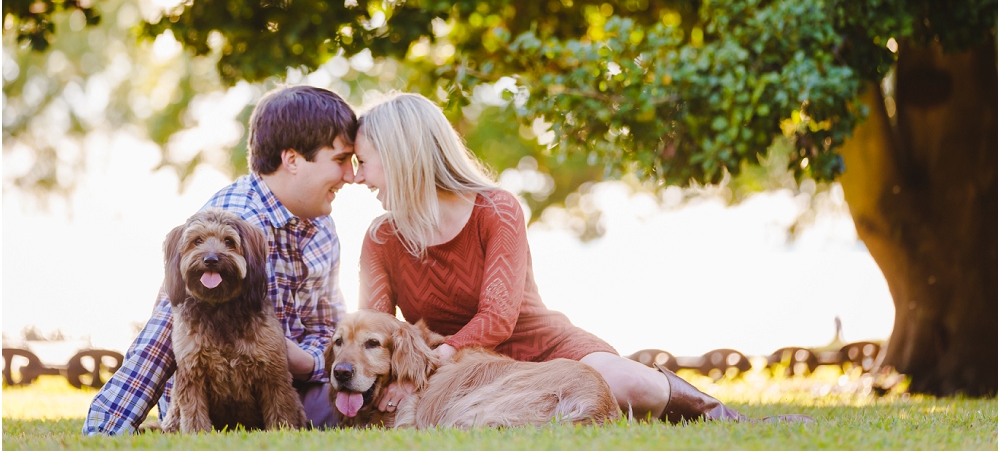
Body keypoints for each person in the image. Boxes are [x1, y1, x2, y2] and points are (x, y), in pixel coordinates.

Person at [354, 92, 814, 424]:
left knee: (627, 384)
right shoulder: (380, 238)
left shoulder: (496, 209)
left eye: (364, 162)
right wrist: (401, 374)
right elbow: (375, 329)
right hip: (461, 372)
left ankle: (729, 419)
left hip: (538, 344)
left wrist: (432, 360)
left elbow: (497, 318)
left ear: (401, 157)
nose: (358, 178)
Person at [83, 85, 357, 435]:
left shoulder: (322, 226)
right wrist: (106, 427)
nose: (351, 175)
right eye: (340, 160)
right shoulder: (233, 221)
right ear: (292, 160)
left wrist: (308, 362)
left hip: (280, 384)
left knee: (349, 409)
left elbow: (328, 328)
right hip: (209, 393)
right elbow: (163, 335)